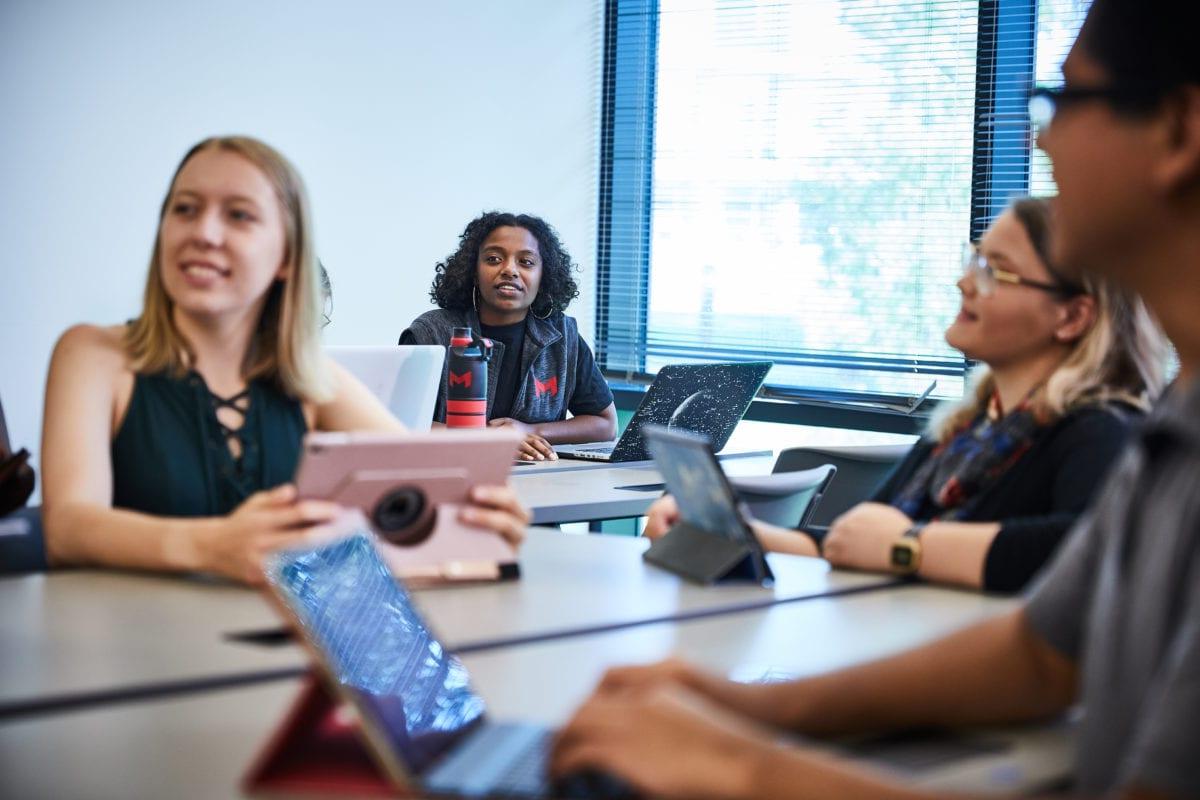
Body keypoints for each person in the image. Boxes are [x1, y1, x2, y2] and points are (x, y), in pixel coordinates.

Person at [552, 1, 1200, 797]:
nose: (1040, 139)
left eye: (1064, 102)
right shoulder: (1177, 419)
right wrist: (742, 708)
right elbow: (1039, 654)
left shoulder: (1113, 431)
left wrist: (734, 765)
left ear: (1177, 130)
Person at [40, 137, 529, 585]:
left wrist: (482, 518)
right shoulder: (93, 355)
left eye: (239, 215)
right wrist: (215, 545)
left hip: (269, 655)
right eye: (184, 209)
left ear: (287, 258)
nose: (204, 232)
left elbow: (438, 491)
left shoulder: (311, 380)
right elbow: (69, 527)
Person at [644, 197, 1167, 592]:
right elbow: (857, 540)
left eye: (995, 271)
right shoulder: (965, 429)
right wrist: (731, 529)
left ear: (1072, 316)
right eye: (974, 260)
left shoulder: (1102, 429)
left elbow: (1081, 554)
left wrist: (907, 548)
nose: (966, 283)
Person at [399, 212, 617, 461]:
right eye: (493, 259)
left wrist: (529, 431)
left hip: (543, 480)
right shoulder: (430, 333)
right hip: (444, 473)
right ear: (473, 270)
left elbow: (605, 424)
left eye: (526, 262)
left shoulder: (563, 337)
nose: (510, 270)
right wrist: (488, 441)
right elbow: (396, 423)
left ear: (543, 276)